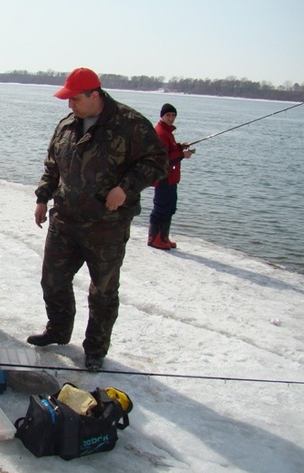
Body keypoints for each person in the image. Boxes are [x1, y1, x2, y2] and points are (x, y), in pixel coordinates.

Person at [28, 68, 168, 371]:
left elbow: (158, 162)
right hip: (64, 221)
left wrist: (125, 188)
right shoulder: (67, 125)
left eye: (75, 99)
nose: (70, 105)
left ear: (95, 95)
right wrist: (42, 198)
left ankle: (95, 349)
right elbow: (53, 165)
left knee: (102, 292)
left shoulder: (130, 124)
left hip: (106, 226)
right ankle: (58, 330)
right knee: (52, 281)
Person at [148, 103, 194, 249]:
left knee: (170, 207)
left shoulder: (167, 132)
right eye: (168, 115)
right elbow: (163, 158)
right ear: (162, 116)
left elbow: (169, 149)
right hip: (163, 177)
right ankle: (153, 238)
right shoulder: (161, 132)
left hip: (171, 178)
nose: (171, 118)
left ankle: (163, 236)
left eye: (173, 115)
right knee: (161, 207)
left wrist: (179, 146)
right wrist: (182, 155)